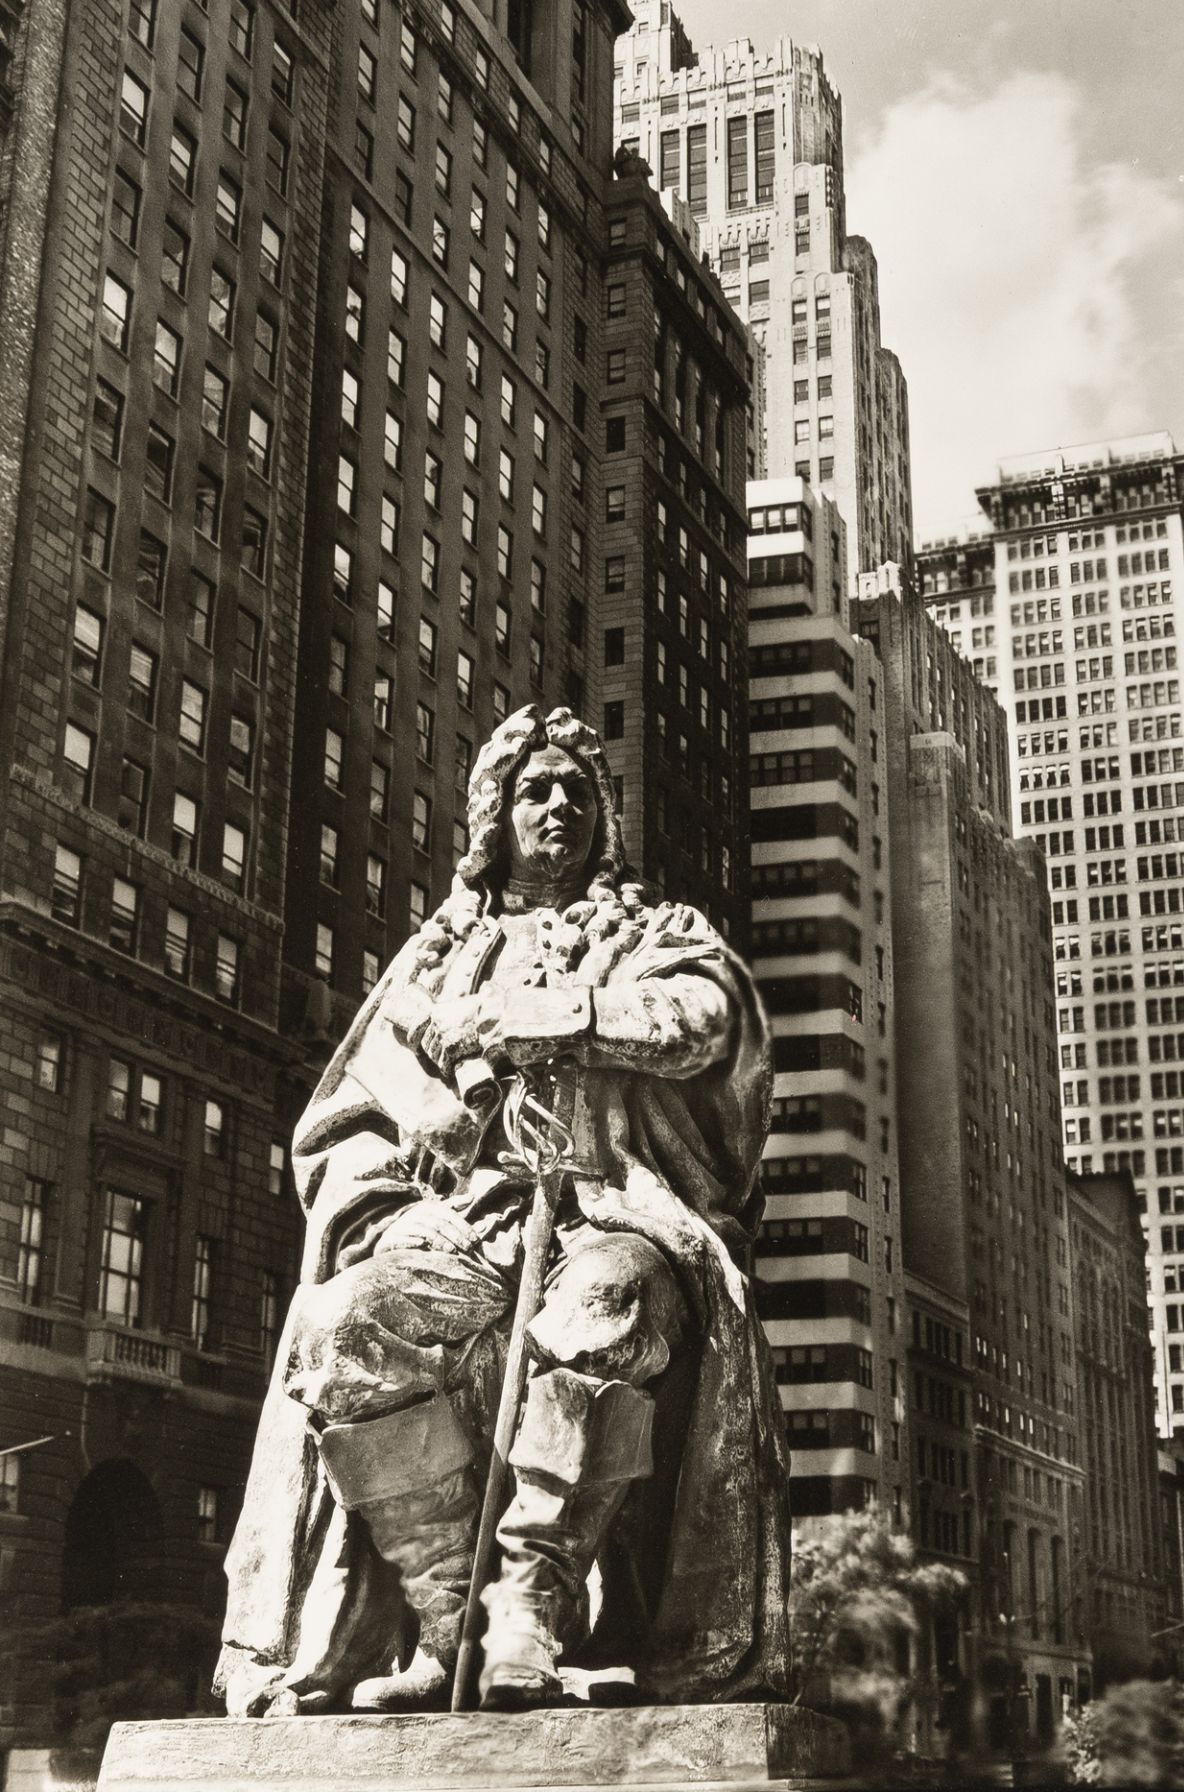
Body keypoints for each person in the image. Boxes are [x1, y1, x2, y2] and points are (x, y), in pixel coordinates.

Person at [217, 705, 789, 1717]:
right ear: (497, 812)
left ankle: (528, 1602)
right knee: (339, 1328)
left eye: (578, 788)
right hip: (461, 1222)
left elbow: (700, 1025)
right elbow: (344, 1114)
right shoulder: (435, 957)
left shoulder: (657, 932)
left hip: (612, 1211)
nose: (558, 804)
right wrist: (425, 1118)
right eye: (535, 788)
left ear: (603, 815)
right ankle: (451, 1625)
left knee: (609, 1305)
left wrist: (543, 1017)